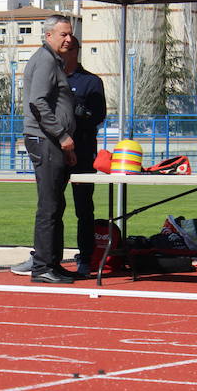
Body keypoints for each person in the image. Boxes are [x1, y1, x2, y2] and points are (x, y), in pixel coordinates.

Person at [18, 14, 78, 284]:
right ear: (48, 35)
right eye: (63, 34)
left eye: (70, 34)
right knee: (49, 206)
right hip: (45, 140)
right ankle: (42, 266)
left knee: (57, 204)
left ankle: (52, 262)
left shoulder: (53, 61)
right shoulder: (44, 61)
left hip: (52, 141)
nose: (69, 39)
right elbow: (38, 102)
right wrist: (62, 135)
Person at [63, 36, 107, 276]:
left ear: (76, 52)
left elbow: (99, 116)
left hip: (81, 152)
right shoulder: (52, 79)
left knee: (83, 208)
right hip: (56, 152)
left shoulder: (91, 82)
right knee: (51, 207)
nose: (64, 52)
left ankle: (86, 257)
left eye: (69, 48)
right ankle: (47, 257)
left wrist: (80, 114)